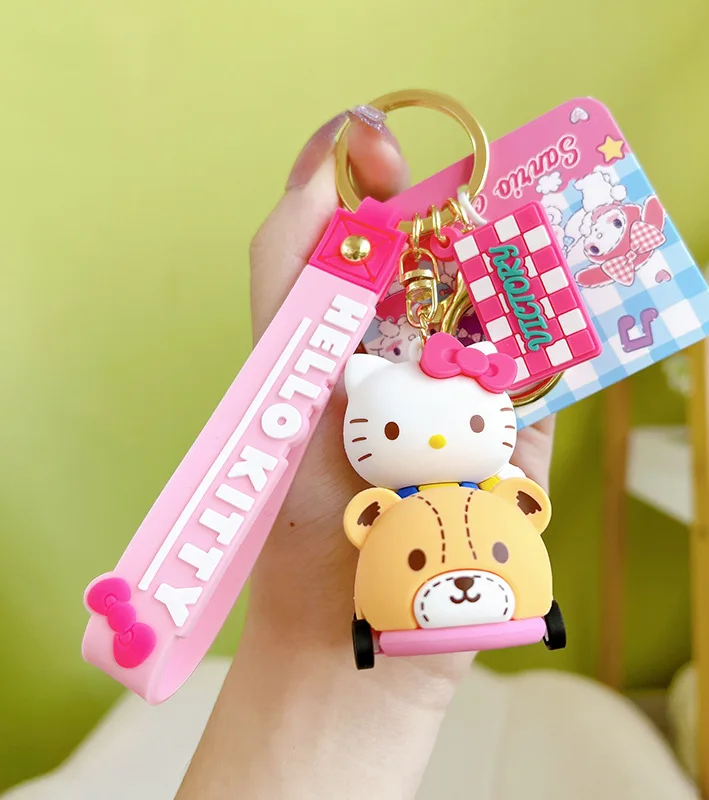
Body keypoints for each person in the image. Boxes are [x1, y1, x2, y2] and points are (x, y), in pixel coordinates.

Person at [176, 106, 555, 799]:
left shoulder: (481, 477)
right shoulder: (378, 493)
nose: (435, 440)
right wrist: (310, 623)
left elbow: (522, 501)